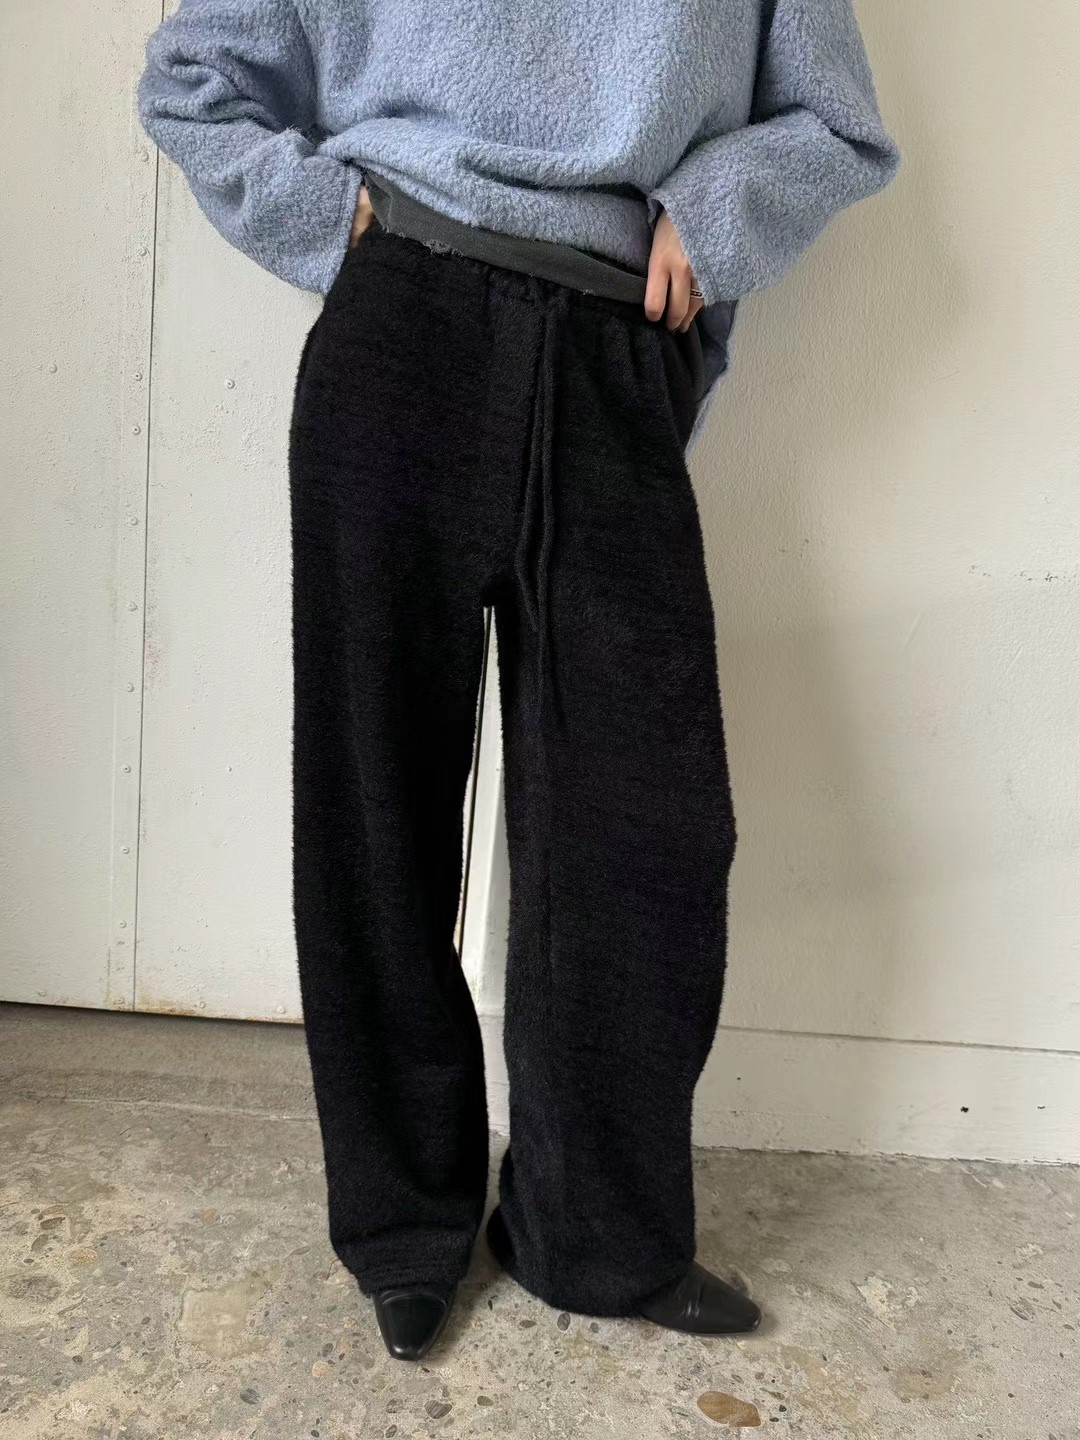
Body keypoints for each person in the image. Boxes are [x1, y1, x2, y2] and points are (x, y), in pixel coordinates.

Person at [138, 0, 900, 1363]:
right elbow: (194, 77)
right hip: (405, 316)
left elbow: (835, 122)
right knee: (379, 808)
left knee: (643, 834)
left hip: (615, 347)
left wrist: (715, 210)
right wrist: (331, 221)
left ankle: (594, 1233)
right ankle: (403, 1224)